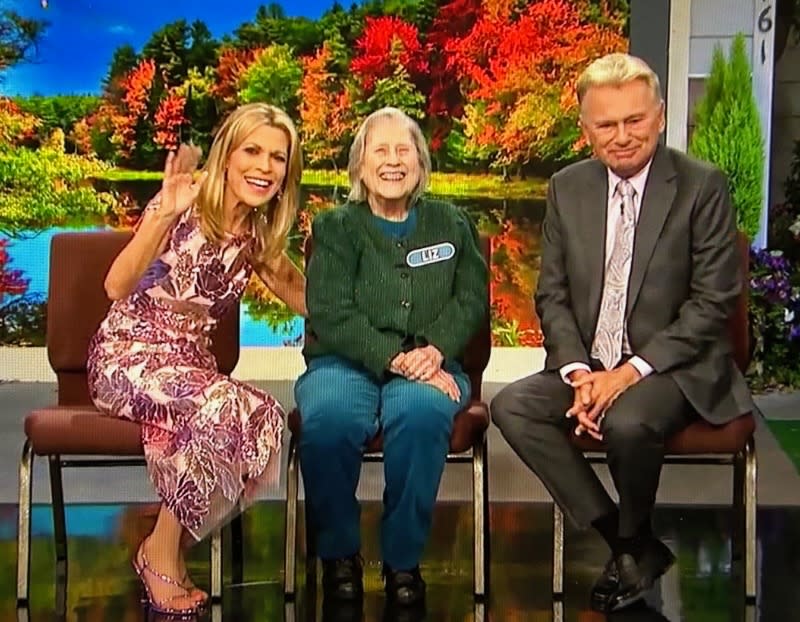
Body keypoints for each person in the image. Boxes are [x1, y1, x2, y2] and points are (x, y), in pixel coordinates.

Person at [490, 53, 754, 613]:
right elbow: (552, 294)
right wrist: (580, 372)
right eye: (606, 125)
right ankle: (628, 543)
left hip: (672, 367)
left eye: (634, 120)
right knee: (513, 405)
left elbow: (713, 304)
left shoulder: (701, 186)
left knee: (630, 420)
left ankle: (631, 543)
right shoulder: (568, 187)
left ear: (658, 116)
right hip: (592, 363)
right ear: (586, 130)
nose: (622, 136)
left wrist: (629, 373)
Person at [87, 103, 306, 616]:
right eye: (252, 150)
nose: (264, 166)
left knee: (264, 418)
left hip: (192, 368)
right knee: (221, 408)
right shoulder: (180, 203)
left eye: (278, 157)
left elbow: (314, 302)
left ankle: (167, 545)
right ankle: (159, 555)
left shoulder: (257, 238)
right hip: (128, 355)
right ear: (227, 155)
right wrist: (163, 211)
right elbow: (116, 286)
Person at [295, 107, 489, 608]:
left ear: (421, 164)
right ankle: (339, 555)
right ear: (360, 167)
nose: (393, 161)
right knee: (330, 418)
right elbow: (331, 313)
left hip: (432, 362)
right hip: (344, 363)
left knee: (422, 413)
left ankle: (403, 560)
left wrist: (435, 351)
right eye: (380, 151)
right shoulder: (336, 228)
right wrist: (397, 359)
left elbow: (471, 298)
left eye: (404, 150)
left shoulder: (451, 222)